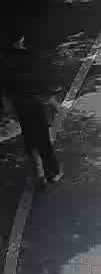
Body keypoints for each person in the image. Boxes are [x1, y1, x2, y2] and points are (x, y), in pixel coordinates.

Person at [0, 26, 59, 186]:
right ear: (22, 39)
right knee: (43, 140)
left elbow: (4, 88)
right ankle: (52, 173)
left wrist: (9, 108)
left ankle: (39, 174)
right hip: (36, 104)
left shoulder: (4, 60)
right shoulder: (31, 57)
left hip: (20, 106)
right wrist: (53, 104)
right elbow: (41, 83)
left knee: (30, 139)